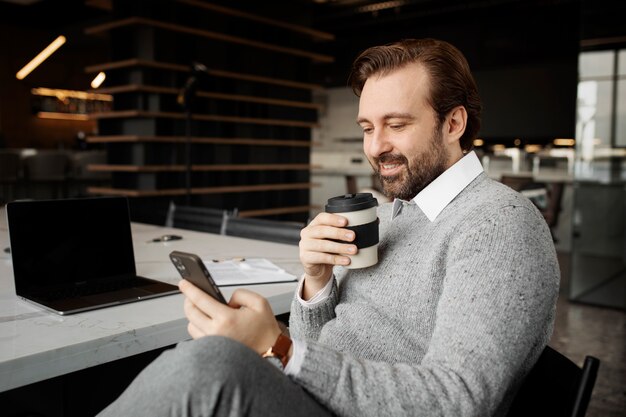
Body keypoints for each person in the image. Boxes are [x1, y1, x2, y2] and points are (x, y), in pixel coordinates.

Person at [97, 38, 559, 417]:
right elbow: (315, 350)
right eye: (366, 128)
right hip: (315, 401)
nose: (376, 147)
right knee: (201, 359)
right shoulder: (386, 214)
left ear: (454, 122)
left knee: (208, 365)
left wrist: (275, 348)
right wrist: (316, 286)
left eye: (396, 124)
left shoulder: (499, 223)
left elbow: (458, 402)